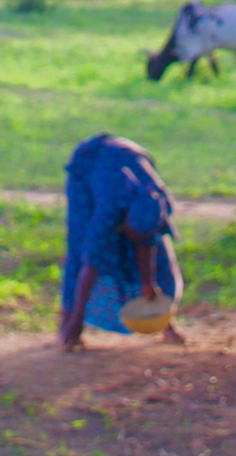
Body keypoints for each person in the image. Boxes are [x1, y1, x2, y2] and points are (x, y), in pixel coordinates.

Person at [57, 134, 185, 351]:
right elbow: (91, 262)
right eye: (133, 234)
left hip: (126, 160)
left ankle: (167, 324)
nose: (138, 242)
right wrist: (77, 321)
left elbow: (147, 239)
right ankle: (68, 326)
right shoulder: (107, 212)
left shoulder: (154, 202)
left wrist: (148, 283)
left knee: (161, 259)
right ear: (124, 221)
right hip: (90, 164)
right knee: (81, 248)